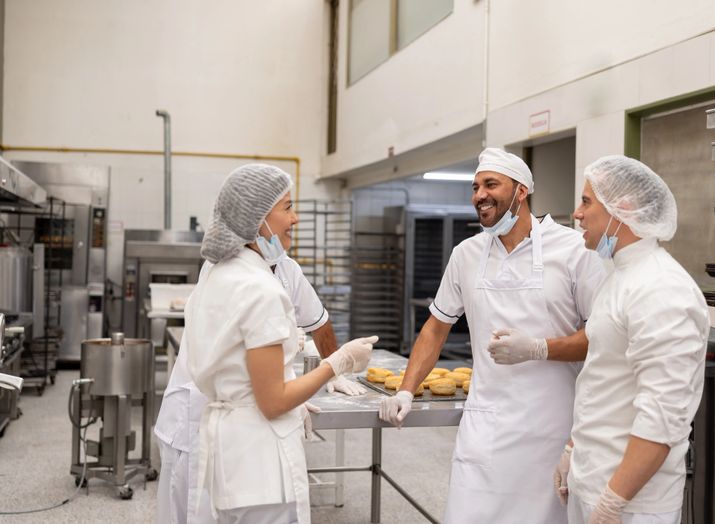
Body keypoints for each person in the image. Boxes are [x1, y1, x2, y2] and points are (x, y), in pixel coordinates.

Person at [379, 148, 607, 523]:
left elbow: (600, 337)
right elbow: (436, 327)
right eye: (474, 187)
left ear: (521, 191)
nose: (478, 195)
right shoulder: (466, 254)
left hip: (551, 427)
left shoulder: (573, 251)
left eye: (490, 184)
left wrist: (537, 348)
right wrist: (406, 388)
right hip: (485, 425)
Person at [181, 163, 378, 523]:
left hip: (230, 454)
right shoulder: (260, 290)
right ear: (258, 219)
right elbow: (272, 402)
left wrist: (291, 398)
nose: (295, 218)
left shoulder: (217, 278)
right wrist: (339, 362)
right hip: (260, 464)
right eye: (287, 207)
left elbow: (242, 377)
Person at [155, 255, 367, 524]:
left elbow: (318, 320)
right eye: (287, 209)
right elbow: (236, 363)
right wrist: (325, 370)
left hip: (246, 429)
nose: (295, 218)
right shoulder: (224, 269)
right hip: (199, 419)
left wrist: (332, 366)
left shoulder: (286, 269)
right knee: (197, 510)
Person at [556, 156, 708, 523]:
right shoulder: (621, 277)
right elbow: (602, 378)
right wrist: (573, 450)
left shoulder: (661, 288)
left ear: (621, 209)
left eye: (587, 202)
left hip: (633, 503)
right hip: (594, 481)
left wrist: (613, 501)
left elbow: (662, 416)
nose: (577, 213)